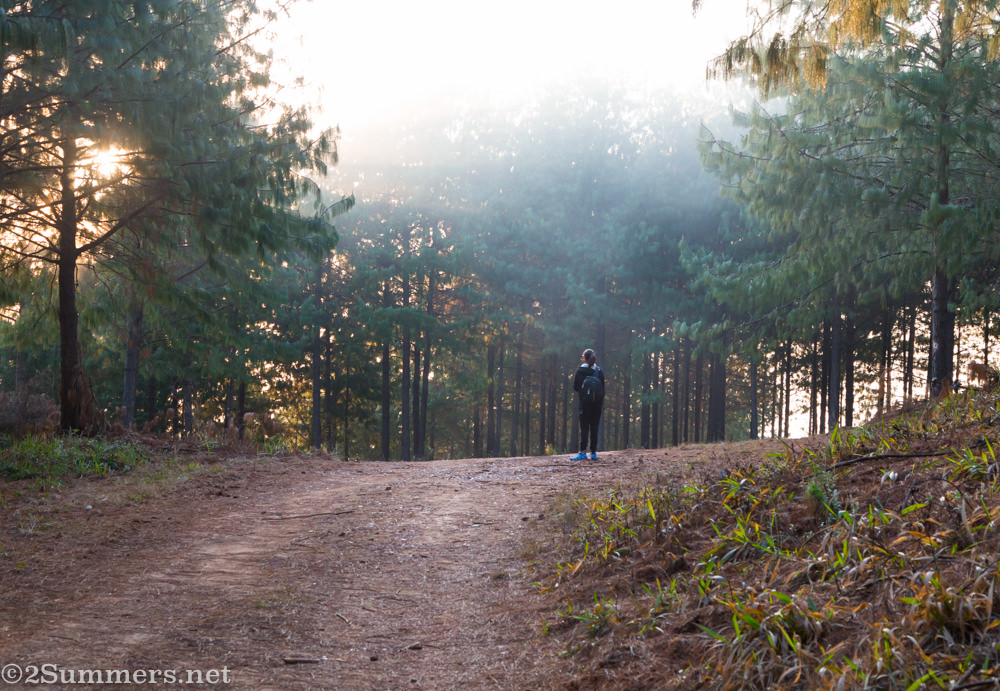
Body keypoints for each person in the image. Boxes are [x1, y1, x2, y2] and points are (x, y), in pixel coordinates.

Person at [571, 349, 605, 460]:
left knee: (584, 427)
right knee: (594, 427)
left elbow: (576, 387)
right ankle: (594, 453)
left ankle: (583, 452)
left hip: (584, 403)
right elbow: (603, 390)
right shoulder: (599, 371)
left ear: (584, 358)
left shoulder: (580, 371)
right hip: (597, 405)